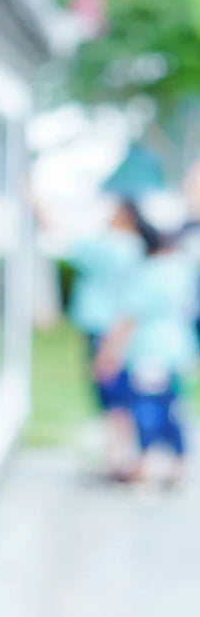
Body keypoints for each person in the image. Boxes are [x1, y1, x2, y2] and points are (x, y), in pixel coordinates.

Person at [94, 207, 197, 486]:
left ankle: (145, 464)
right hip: (175, 348)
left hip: (148, 352)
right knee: (171, 407)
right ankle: (178, 464)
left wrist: (108, 353)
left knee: (147, 409)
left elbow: (129, 317)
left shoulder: (149, 273)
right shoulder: (181, 269)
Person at [62, 197, 144, 478]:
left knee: (113, 400)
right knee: (120, 398)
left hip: (106, 333)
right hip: (120, 332)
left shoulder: (112, 247)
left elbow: (64, 236)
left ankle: (120, 461)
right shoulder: (134, 247)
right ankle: (124, 459)